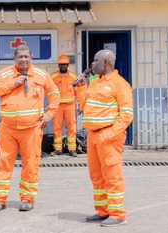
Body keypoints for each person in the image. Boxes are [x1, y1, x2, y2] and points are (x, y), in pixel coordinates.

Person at [0, 45, 60, 212]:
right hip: (8, 129)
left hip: (31, 129)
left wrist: (49, 114)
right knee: (3, 163)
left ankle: (27, 199)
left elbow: (55, 94)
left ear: (31, 58)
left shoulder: (41, 74)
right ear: (14, 58)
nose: (23, 59)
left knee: (30, 164)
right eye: (20, 56)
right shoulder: (4, 74)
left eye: (26, 56)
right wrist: (12, 83)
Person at [75, 49, 133, 227]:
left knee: (112, 176)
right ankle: (103, 211)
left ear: (107, 62)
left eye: (96, 61)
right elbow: (86, 105)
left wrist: (110, 134)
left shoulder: (120, 84)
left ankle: (117, 214)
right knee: (97, 177)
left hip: (109, 136)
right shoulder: (94, 82)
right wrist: (81, 86)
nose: (92, 64)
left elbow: (127, 115)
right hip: (93, 136)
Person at [50, 55, 78, 157]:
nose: (62, 66)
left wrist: (79, 105)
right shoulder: (52, 77)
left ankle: (72, 149)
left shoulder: (74, 77)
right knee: (57, 127)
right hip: (57, 107)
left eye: (64, 64)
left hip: (70, 106)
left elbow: (78, 92)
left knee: (72, 127)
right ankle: (58, 148)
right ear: (58, 65)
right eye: (61, 64)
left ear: (67, 65)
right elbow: (48, 91)